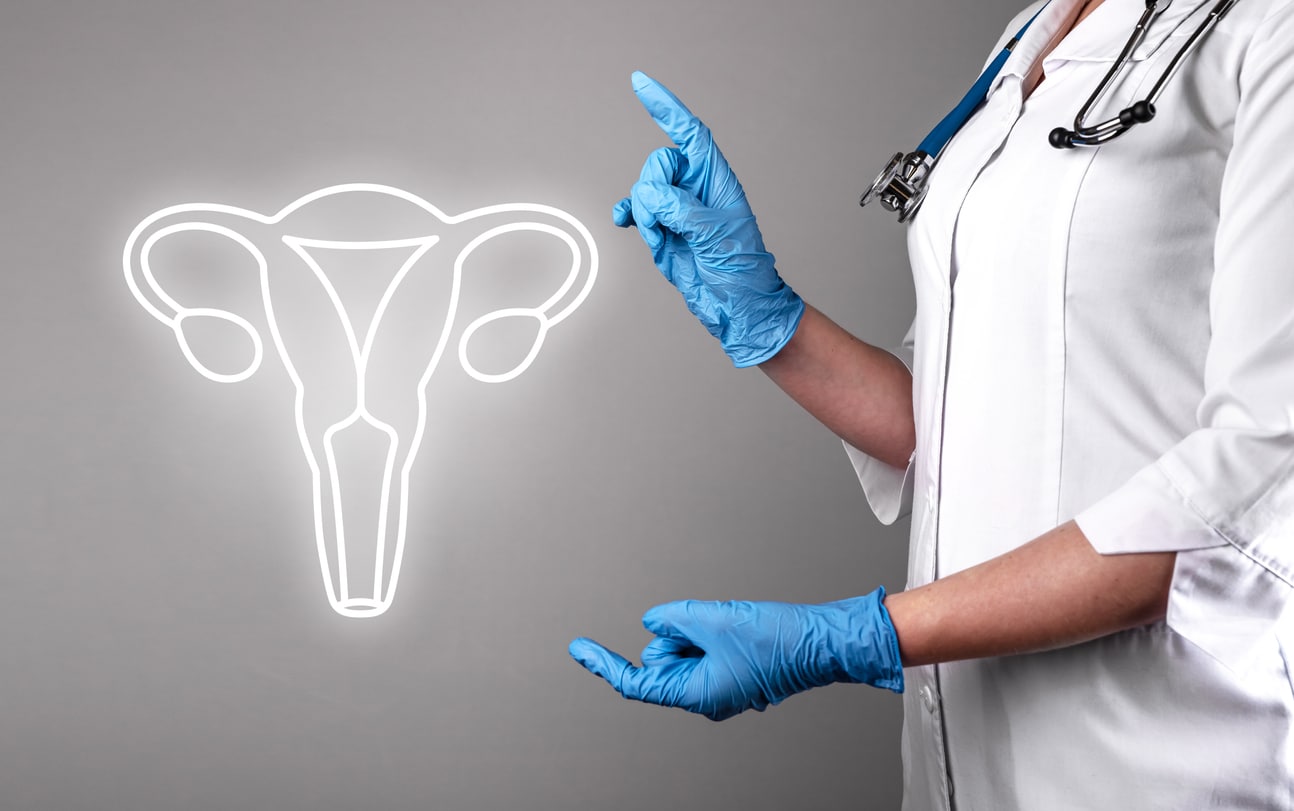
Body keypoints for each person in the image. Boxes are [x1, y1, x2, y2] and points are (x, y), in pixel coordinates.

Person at [569, 0, 1294, 807]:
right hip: (958, 759)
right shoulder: (1033, 31)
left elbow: (1261, 480)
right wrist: (770, 320)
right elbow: (957, 412)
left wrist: (864, 637)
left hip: (1161, 761)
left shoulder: (1269, 33)